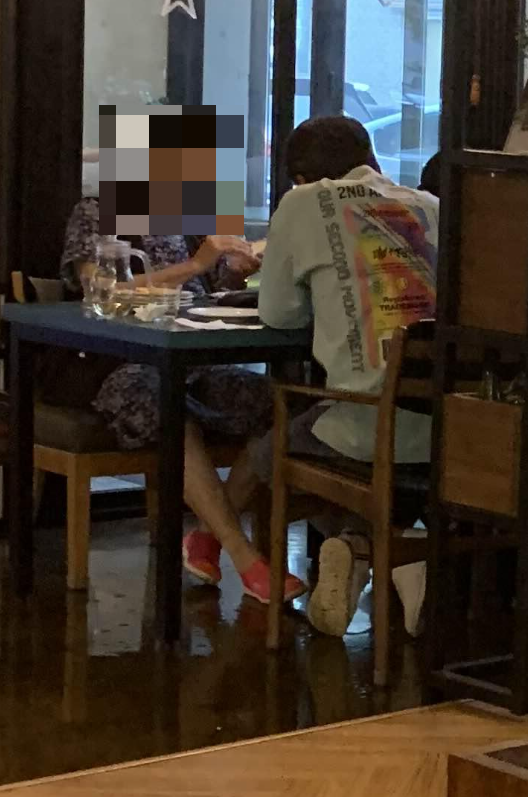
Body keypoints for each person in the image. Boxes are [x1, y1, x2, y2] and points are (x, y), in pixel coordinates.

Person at [60, 173, 284, 605]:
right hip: (121, 361)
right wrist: (195, 265)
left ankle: (207, 537)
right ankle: (244, 557)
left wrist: (238, 270)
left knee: (275, 406)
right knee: (164, 399)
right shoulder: (96, 211)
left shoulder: (190, 216)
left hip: (196, 359)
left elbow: (214, 290)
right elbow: (99, 291)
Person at [255, 114, 439, 639]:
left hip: (364, 427)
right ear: (372, 158)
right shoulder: (430, 206)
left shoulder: (301, 204)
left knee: (266, 455)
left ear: (300, 177)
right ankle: (392, 550)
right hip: (450, 428)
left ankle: (365, 548)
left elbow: (279, 315)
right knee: (376, 443)